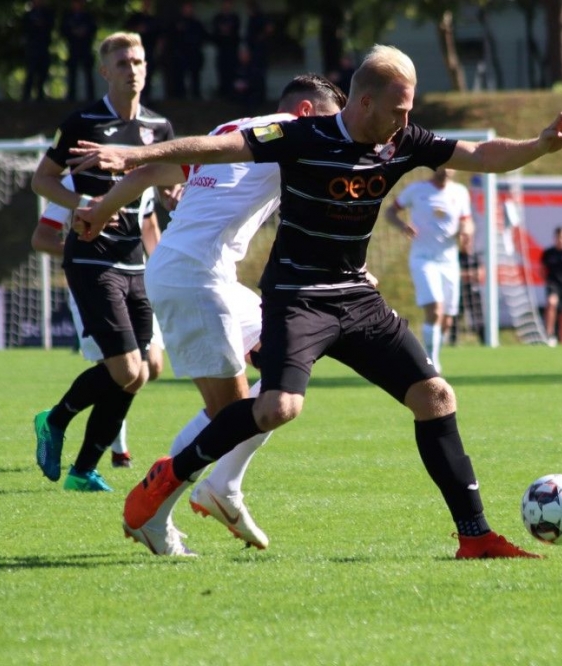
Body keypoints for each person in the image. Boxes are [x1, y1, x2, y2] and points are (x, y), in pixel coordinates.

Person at [68, 44, 562, 559]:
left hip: (356, 295)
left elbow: (482, 155)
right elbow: (218, 148)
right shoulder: (299, 135)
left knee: (436, 397)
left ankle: (475, 536)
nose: (406, 121)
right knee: (278, 407)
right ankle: (168, 478)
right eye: (398, 109)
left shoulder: (403, 141)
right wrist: (135, 155)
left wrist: (541, 145)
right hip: (297, 297)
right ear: (365, 102)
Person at [73, 74, 347, 556]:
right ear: (305, 112)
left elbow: (151, 174)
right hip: (194, 275)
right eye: (329, 122)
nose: (332, 135)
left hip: (204, 272)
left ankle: (224, 485)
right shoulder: (290, 134)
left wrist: (101, 209)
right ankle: (155, 514)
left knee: (287, 366)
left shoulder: (232, 129)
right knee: (232, 415)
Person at [30, 32, 175, 493]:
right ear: (105, 71)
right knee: (127, 369)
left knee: (143, 372)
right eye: (123, 62)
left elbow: (164, 189)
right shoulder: (83, 122)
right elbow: (42, 179)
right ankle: (54, 420)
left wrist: (173, 194)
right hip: (92, 259)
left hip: (135, 262)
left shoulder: (159, 127)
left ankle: (82, 472)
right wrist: (81, 204)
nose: (133, 69)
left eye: (139, 61)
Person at [30, 174, 169, 469]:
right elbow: (42, 238)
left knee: (146, 369)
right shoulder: (75, 184)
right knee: (121, 369)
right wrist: (89, 249)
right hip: (96, 280)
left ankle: (85, 457)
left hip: (136, 279)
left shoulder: (141, 178)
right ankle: (100, 458)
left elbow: (149, 226)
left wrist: (161, 271)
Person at [385, 166, 473, 373]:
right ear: (436, 165)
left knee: (447, 320)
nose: (448, 169)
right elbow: (390, 212)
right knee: (435, 310)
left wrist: (466, 233)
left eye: (452, 165)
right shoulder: (417, 190)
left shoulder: (460, 192)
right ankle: (431, 362)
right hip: (423, 259)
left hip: (449, 261)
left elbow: (467, 222)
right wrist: (402, 226)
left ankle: (432, 355)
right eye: (444, 164)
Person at [168, 1, 208, 99]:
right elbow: (171, 37)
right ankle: (180, 95)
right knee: (180, 75)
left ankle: (196, 94)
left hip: (194, 52)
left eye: (189, 8)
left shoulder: (196, 23)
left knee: (195, 75)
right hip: (181, 53)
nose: (188, 10)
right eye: (186, 8)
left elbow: (204, 36)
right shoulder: (177, 23)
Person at [124, 0, 163, 100]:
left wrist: (158, 50)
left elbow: (159, 36)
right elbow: (127, 30)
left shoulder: (153, 20)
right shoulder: (136, 18)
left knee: (148, 74)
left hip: (149, 50)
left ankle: (147, 96)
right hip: (136, 51)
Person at [60, 0, 98, 101]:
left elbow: (93, 29)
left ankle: (90, 96)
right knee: (72, 73)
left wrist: (84, 32)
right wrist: (73, 33)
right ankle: (71, 96)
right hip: (73, 48)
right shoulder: (68, 17)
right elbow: (63, 30)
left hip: (86, 48)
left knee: (88, 73)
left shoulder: (88, 17)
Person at [22, 0, 55, 102]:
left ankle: (40, 94)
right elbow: (25, 29)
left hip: (43, 47)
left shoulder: (47, 14)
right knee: (31, 71)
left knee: (43, 72)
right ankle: (26, 94)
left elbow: (50, 27)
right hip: (32, 48)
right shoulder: (28, 15)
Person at [211, 0, 241, 101]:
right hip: (222, 49)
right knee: (222, 71)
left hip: (232, 50)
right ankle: (223, 92)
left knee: (232, 71)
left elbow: (236, 33)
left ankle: (232, 93)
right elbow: (215, 34)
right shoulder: (217, 18)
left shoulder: (235, 18)